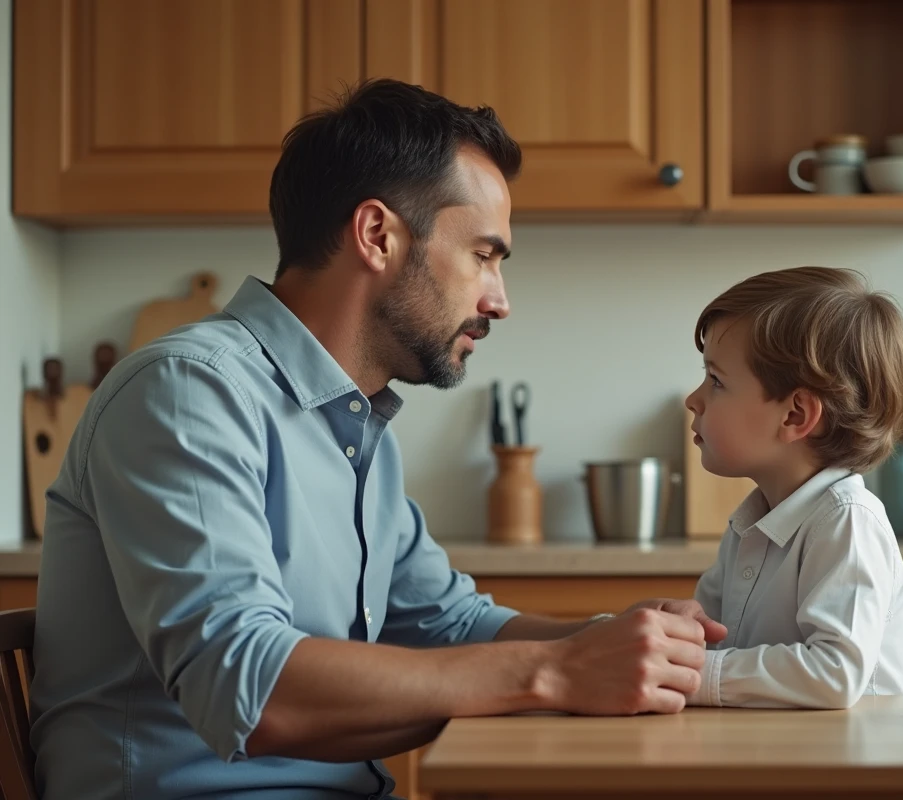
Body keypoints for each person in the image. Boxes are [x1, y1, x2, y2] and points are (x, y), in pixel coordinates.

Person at [29, 78, 725, 800]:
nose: (499, 301)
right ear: (377, 235)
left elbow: (447, 623)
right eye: (484, 255)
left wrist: (615, 638)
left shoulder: (356, 427)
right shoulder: (187, 392)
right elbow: (250, 687)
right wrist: (557, 670)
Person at [683, 266, 903, 709]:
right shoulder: (750, 523)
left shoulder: (847, 521)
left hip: (845, 755)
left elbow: (834, 673)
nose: (693, 400)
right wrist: (673, 635)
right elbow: (713, 640)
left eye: (716, 381)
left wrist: (692, 673)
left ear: (795, 416)